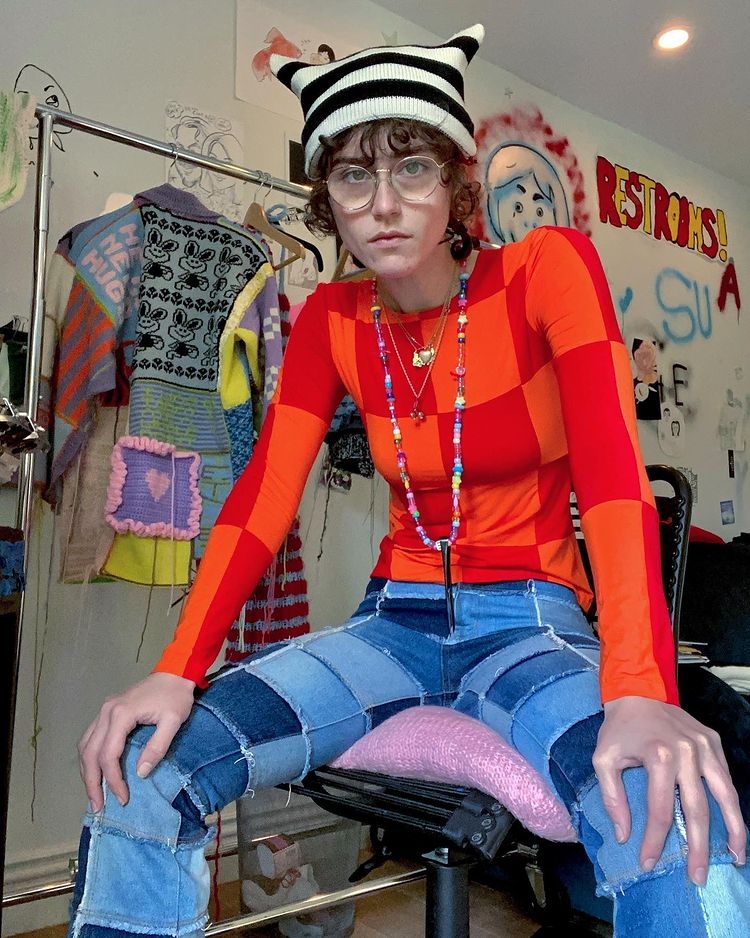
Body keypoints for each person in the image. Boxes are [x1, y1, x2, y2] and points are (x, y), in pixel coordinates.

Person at [71, 24, 749, 938]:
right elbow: (262, 500)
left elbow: (615, 477)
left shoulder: (545, 270)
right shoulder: (330, 319)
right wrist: (174, 668)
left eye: (412, 168)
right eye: (354, 175)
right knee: (141, 768)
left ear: (457, 183)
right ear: (328, 199)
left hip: (531, 625)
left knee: (671, 812)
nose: (384, 203)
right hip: (391, 625)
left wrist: (640, 686)